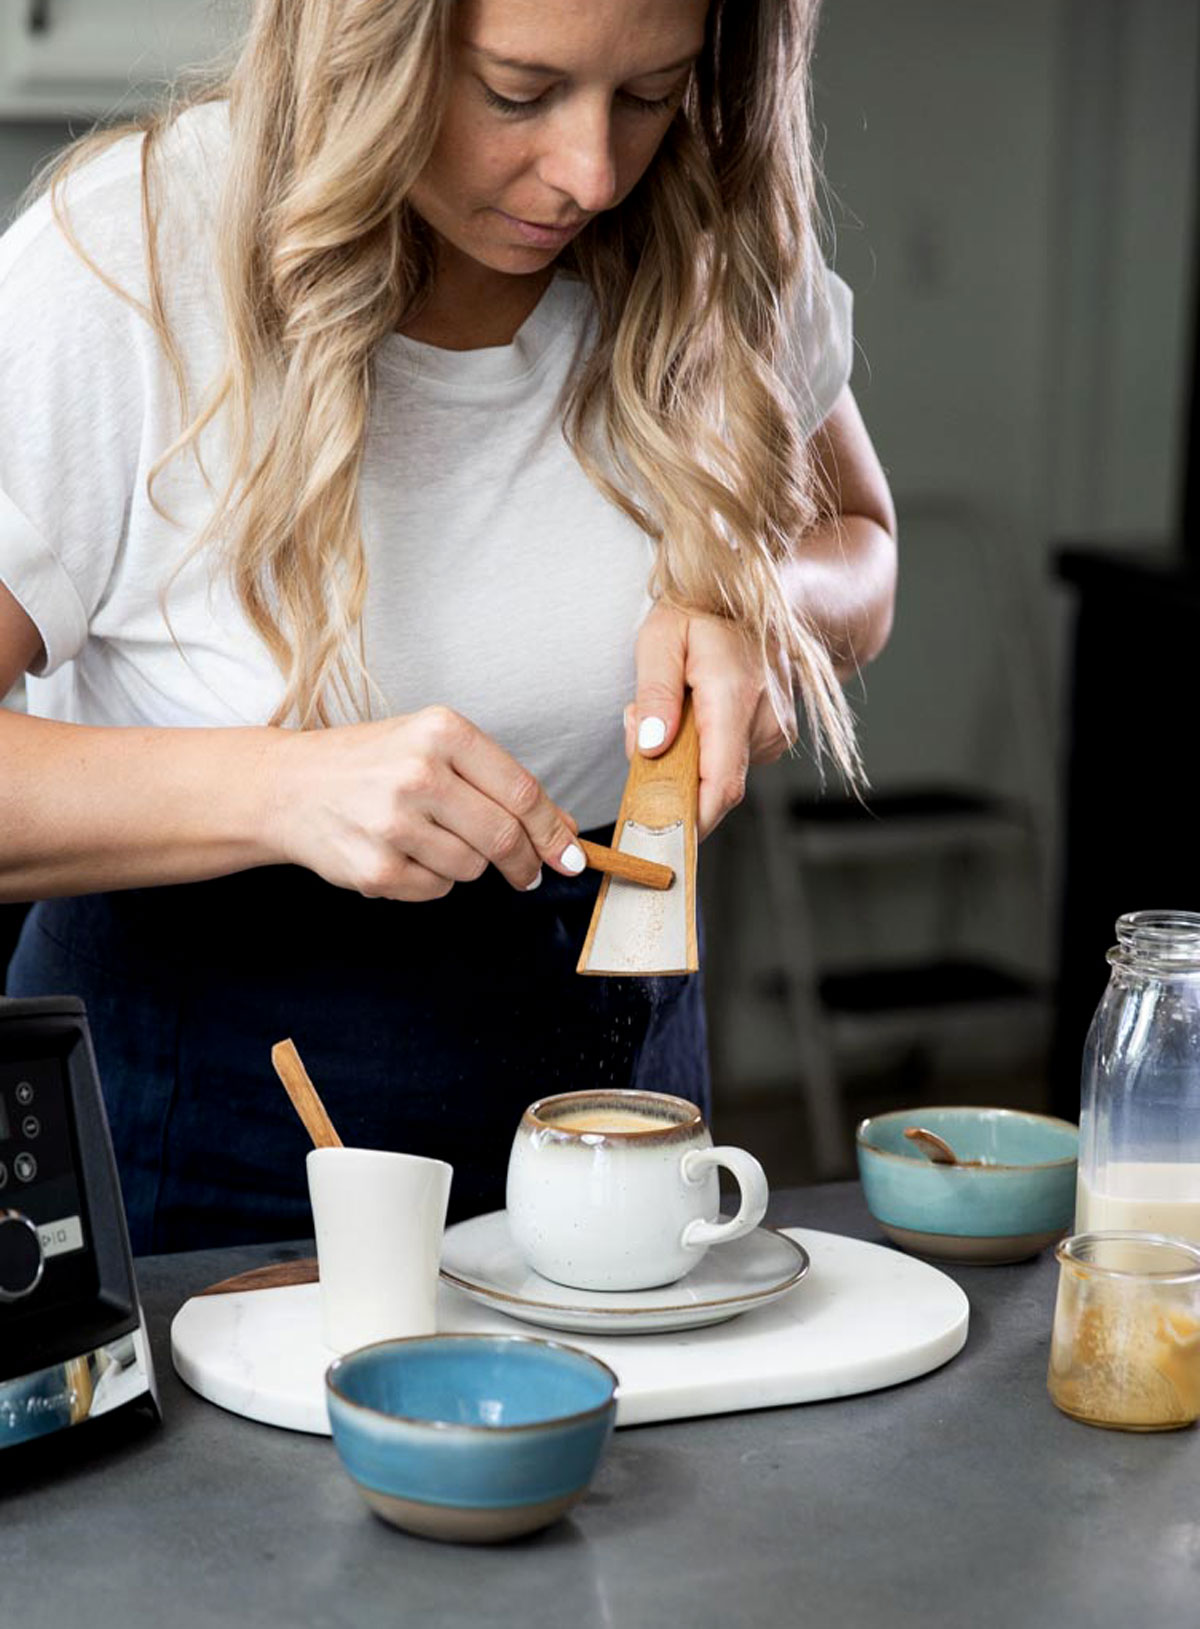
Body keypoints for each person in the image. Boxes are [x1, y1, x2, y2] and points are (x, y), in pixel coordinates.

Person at [0, 0, 896, 1253]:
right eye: (519, 92)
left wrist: (755, 601)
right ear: (365, 42)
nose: (591, 173)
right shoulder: (125, 262)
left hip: (619, 1082)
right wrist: (282, 792)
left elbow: (862, 544)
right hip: (198, 1136)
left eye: (649, 93)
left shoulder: (712, 220)